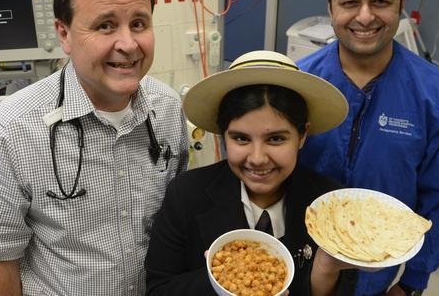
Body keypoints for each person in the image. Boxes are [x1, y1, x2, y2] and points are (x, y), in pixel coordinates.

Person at [0, 0, 189, 296]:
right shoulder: (11, 130)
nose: (128, 44)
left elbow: (179, 223)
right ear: (64, 34)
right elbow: (0, 256)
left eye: (138, 24)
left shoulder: (168, 108)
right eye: (105, 26)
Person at [297, 0, 439, 296]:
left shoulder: (435, 94)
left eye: (381, 1)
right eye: (349, 2)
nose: (365, 16)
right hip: (300, 263)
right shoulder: (300, 83)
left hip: (378, 274)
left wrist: (412, 282)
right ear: (331, 7)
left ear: (401, 4)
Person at [145, 50, 358, 296]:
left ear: (302, 135)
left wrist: (325, 269)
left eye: (276, 139)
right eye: (241, 139)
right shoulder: (186, 195)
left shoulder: (332, 208)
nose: (257, 158)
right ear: (223, 137)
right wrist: (222, 278)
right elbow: (158, 289)